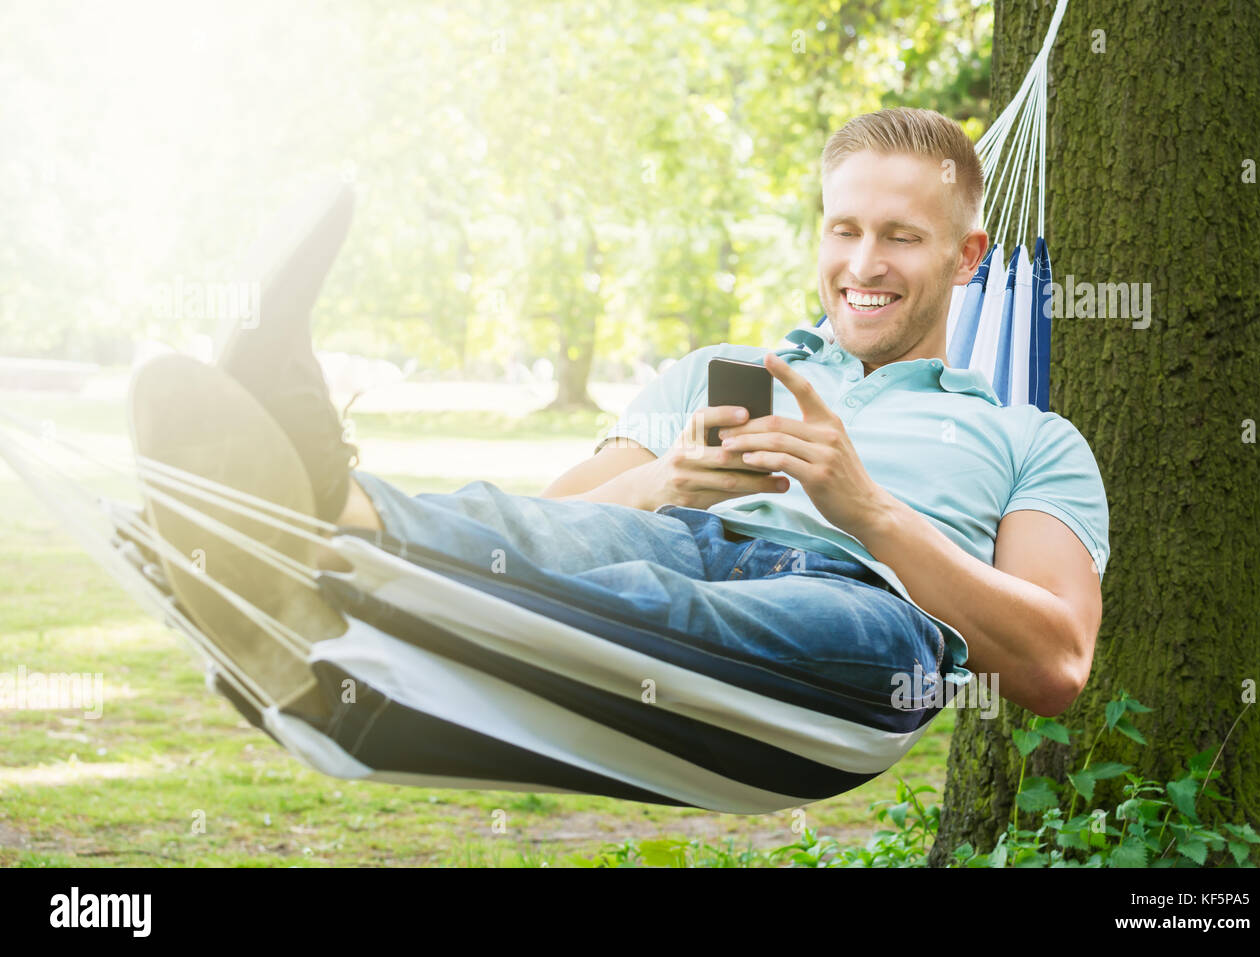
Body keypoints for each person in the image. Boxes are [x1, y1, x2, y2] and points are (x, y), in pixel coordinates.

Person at [131, 107, 1107, 726]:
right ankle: (328, 504)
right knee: (562, 540)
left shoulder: (1030, 438)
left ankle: (355, 604)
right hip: (679, 539)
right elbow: (552, 522)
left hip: (862, 613)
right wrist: (668, 478)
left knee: (712, 609)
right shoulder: (721, 374)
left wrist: (869, 514)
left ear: (967, 257)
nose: (861, 266)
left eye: (900, 237)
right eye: (843, 230)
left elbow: (1056, 660)